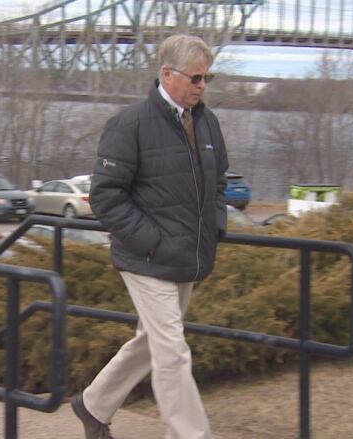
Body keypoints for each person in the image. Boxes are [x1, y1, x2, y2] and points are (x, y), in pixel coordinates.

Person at [71, 34, 229, 439]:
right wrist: (152, 240)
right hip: (145, 259)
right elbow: (105, 196)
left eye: (206, 77)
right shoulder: (129, 125)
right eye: (195, 78)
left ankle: (93, 404)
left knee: (153, 343)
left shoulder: (207, 123)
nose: (202, 86)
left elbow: (218, 182)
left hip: (186, 259)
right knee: (172, 352)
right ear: (167, 74)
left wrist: (215, 227)